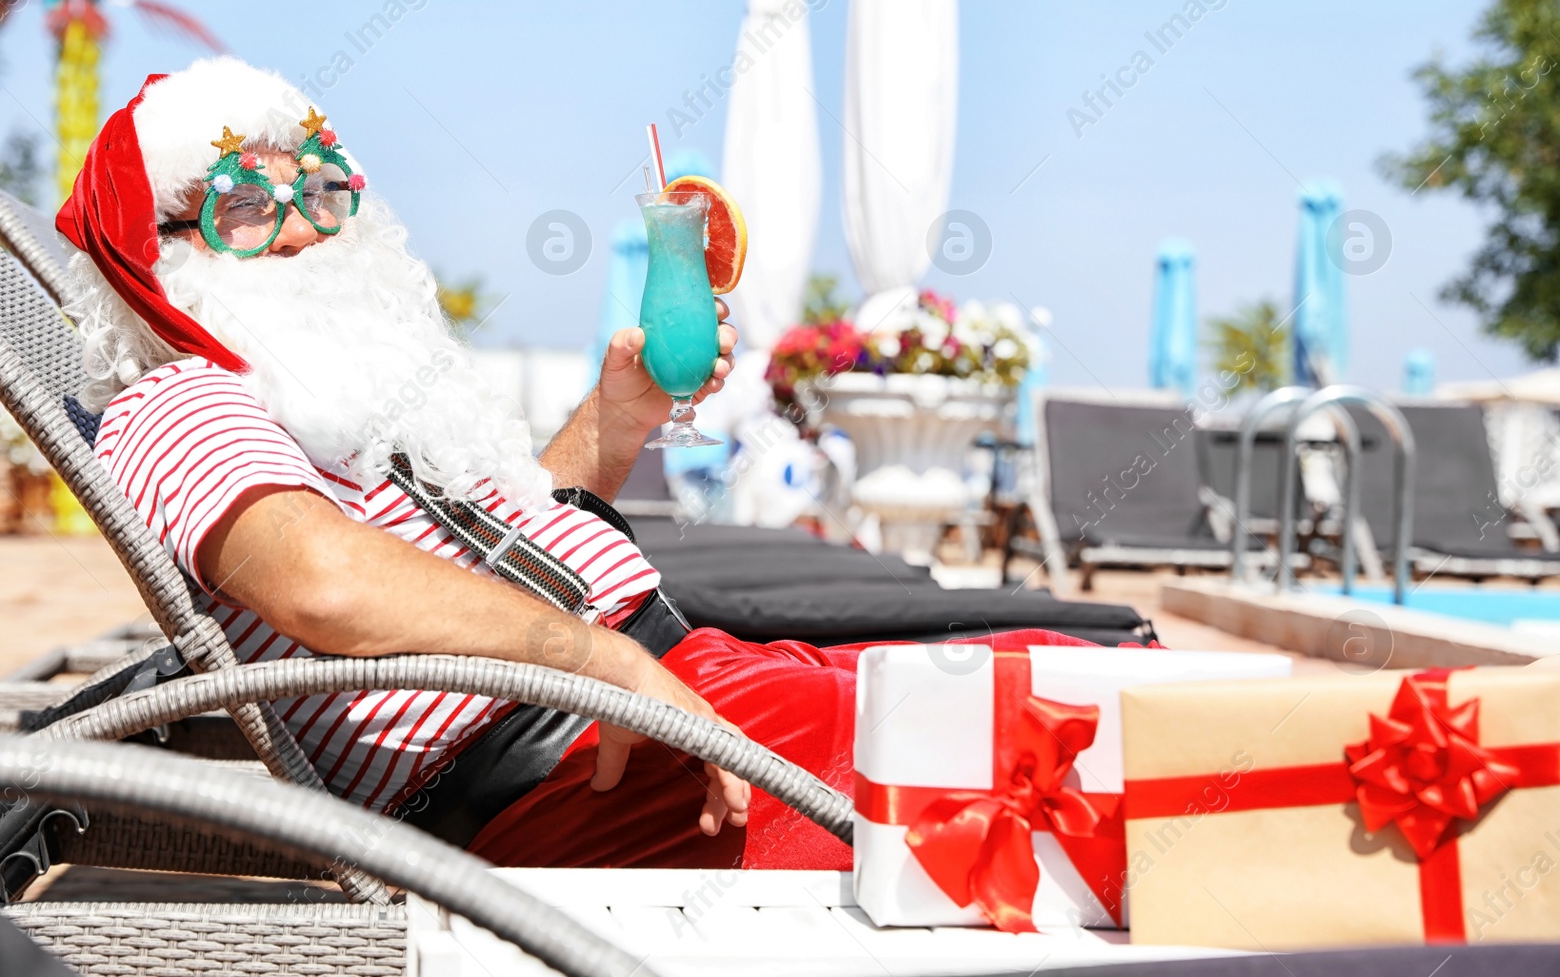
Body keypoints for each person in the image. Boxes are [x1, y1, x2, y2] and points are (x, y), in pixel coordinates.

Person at [59, 57, 1089, 870]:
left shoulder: (338, 400)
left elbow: (504, 545)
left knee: (1054, 668)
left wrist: (611, 422)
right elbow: (318, 579)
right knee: (1060, 739)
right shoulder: (180, 401)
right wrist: (596, 657)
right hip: (569, 776)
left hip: (668, 691)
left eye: (322, 193)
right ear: (162, 254)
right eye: (245, 205)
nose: (302, 234)